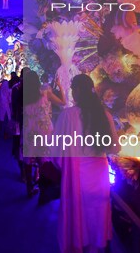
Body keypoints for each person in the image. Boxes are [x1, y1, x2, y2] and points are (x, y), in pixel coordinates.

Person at [53, 74, 119, 253]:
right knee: (97, 214)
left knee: (78, 215)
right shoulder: (104, 114)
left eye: (73, 89)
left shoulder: (68, 116)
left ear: (78, 91)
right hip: (99, 177)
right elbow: (115, 148)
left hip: (77, 178)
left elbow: (57, 152)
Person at [22, 70, 65, 197]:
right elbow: (63, 102)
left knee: (28, 160)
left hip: (29, 129)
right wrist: (60, 85)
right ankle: (44, 189)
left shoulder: (22, 95)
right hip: (44, 130)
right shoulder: (45, 93)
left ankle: (29, 187)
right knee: (43, 160)